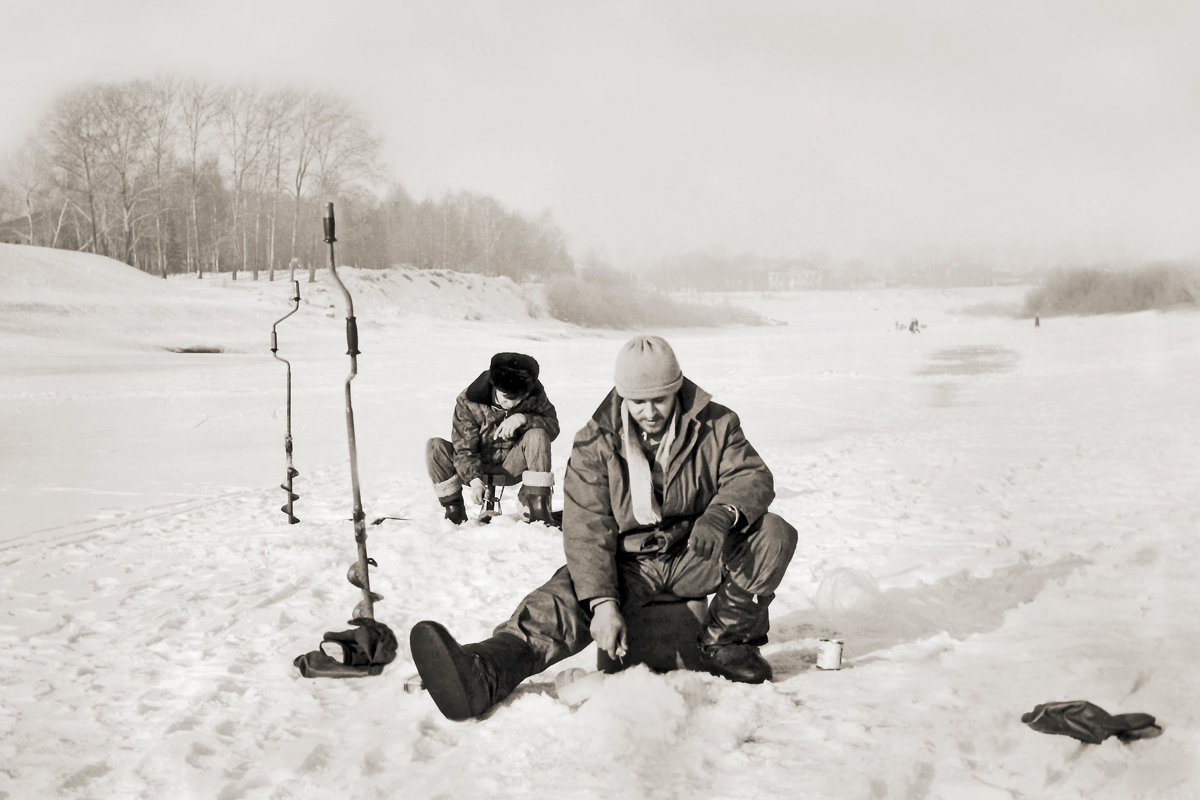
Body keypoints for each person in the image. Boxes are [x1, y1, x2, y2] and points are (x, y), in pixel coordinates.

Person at [411, 335, 798, 721]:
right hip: (629, 565)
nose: (649, 412)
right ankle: (487, 669)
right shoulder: (595, 441)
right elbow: (585, 529)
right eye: (638, 402)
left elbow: (751, 475)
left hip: (696, 554)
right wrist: (602, 602)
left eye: (659, 400)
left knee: (773, 534)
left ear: (677, 389)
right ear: (622, 394)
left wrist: (721, 515)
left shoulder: (716, 424)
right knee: (560, 602)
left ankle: (727, 643)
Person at [425, 352, 559, 526]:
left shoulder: (535, 396)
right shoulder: (468, 401)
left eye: (518, 399)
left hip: (511, 467)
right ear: (495, 387)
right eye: (506, 398)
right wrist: (474, 480)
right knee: (435, 447)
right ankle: (454, 511)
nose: (511, 404)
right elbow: (464, 448)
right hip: (475, 468)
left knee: (538, 434)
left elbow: (553, 427)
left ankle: (536, 507)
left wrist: (524, 419)